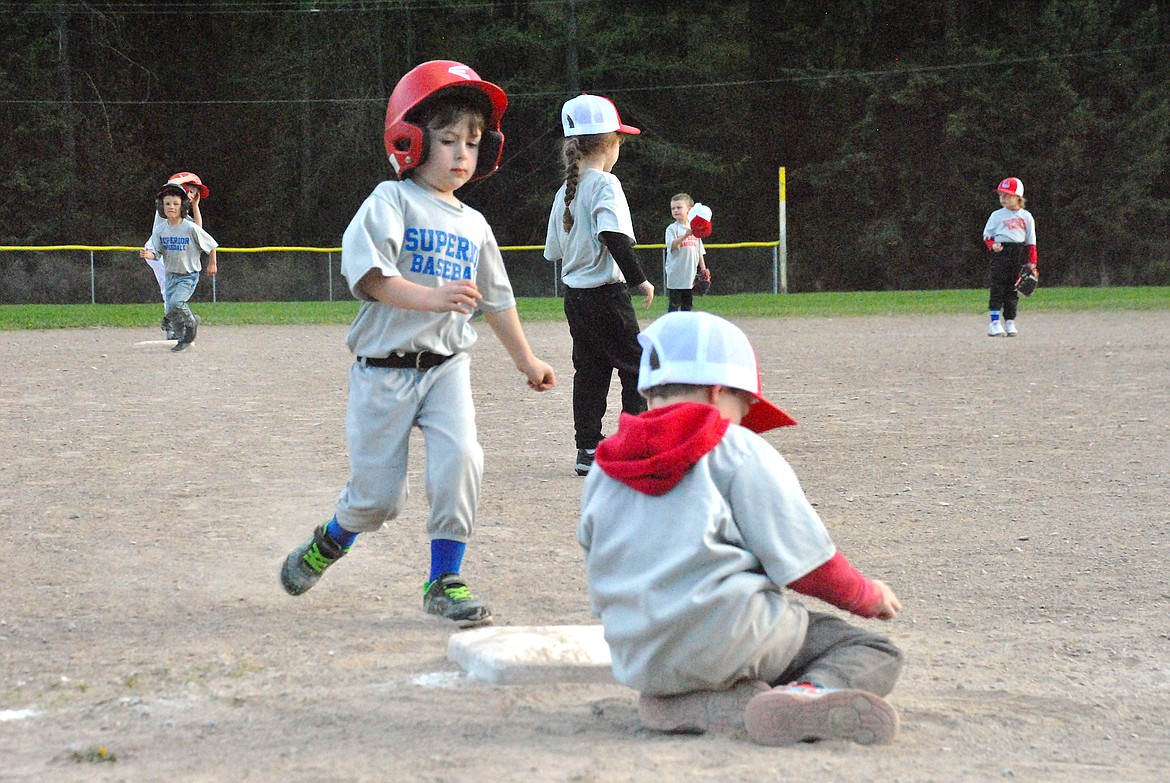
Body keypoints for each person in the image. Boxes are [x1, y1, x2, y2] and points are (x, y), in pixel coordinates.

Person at [278, 60, 557, 629]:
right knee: (378, 500)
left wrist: (527, 360)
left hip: (447, 367)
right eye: (448, 139)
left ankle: (443, 579)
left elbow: (496, 300)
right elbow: (372, 278)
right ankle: (331, 539)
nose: (461, 153)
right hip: (382, 371)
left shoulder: (476, 225)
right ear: (409, 141)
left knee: (462, 461)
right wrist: (433, 298)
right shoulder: (391, 200)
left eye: (473, 143)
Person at [579, 311, 905, 746]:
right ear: (717, 392)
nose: (745, 419)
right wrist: (868, 595)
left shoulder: (604, 463)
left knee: (696, 654)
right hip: (731, 639)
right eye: (744, 405)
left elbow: (597, 558)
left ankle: (679, 702)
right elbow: (808, 566)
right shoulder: (736, 450)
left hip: (638, 654)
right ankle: (806, 696)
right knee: (873, 651)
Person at [543, 93, 654, 477]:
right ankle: (631, 445)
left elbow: (554, 251)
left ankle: (587, 450)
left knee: (589, 373)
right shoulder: (606, 184)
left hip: (575, 298)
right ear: (609, 144)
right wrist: (639, 278)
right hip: (608, 296)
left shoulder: (565, 193)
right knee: (638, 368)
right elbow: (613, 234)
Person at [140, 183, 218, 352]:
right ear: (161, 207)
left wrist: (212, 263)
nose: (171, 207)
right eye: (167, 203)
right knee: (170, 310)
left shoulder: (189, 227)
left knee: (176, 302)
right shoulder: (161, 230)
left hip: (188, 275)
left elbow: (211, 244)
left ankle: (191, 324)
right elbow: (158, 253)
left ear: (182, 206)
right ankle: (182, 338)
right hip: (171, 275)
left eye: (175, 203)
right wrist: (149, 255)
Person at [982, 176, 1038, 337]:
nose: (1003, 198)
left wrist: (1032, 263)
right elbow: (987, 235)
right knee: (998, 286)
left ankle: (1009, 321)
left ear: (1018, 197)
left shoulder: (1026, 217)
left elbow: (1031, 241)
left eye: (1007, 195)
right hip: (1001, 253)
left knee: (1013, 288)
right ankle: (994, 322)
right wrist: (992, 245)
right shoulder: (997, 215)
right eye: (1001, 195)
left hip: (1018, 253)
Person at [664, 192, 707, 312]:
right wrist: (685, 236)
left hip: (690, 275)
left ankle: (684, 328)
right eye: (673, 208)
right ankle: (672, 328)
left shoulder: (695, 228)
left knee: (687, 305)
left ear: (689, 209)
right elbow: (671, 245)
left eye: (679, 207)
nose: (675, 210)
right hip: (676, 274)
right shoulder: (672, 228)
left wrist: (703, 269)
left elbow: (699, 251)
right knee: (674, 304)